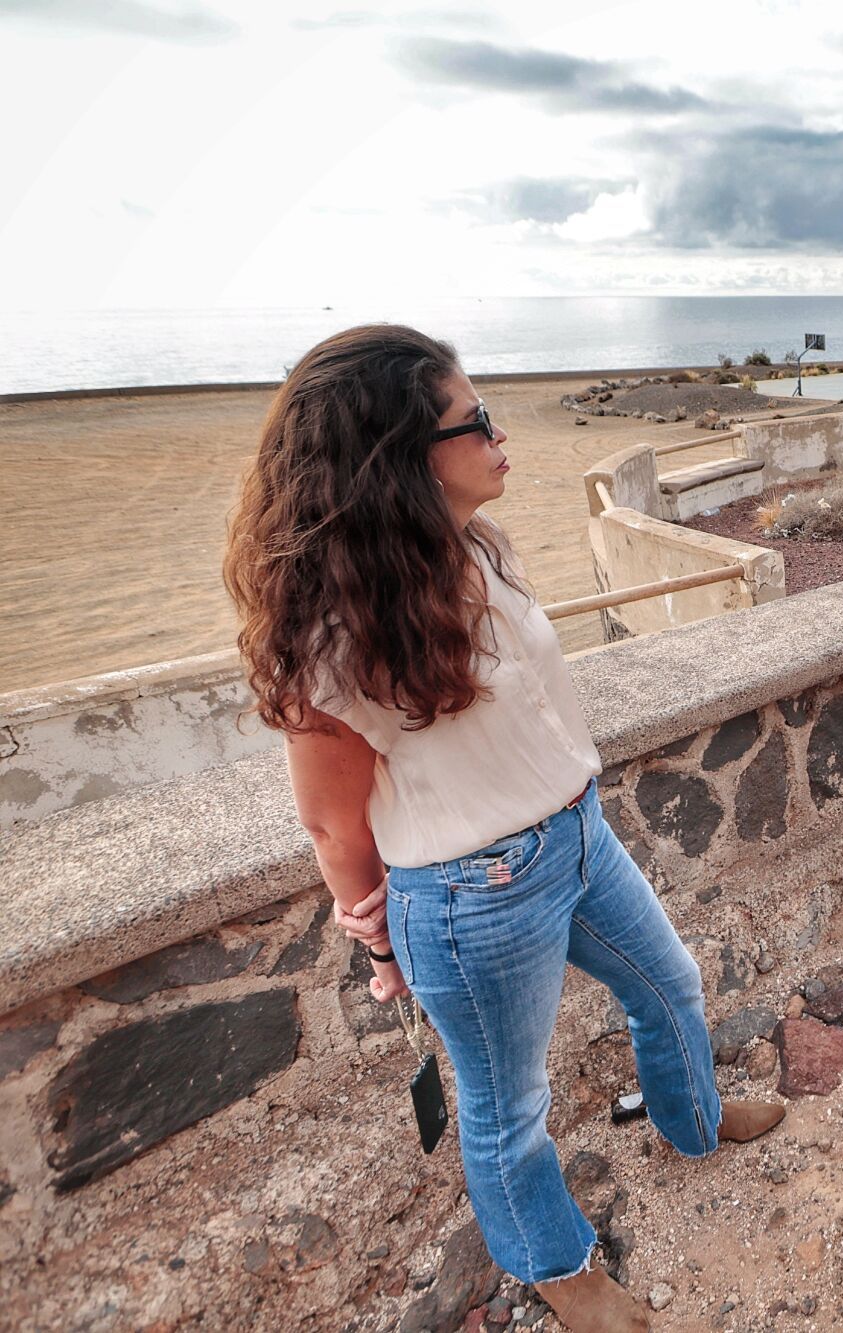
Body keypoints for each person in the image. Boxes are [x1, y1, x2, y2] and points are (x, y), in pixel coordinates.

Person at [222, 325, 782, 1333]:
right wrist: (380, 935)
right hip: (471, 891)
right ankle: (562, 1272)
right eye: (472, 419)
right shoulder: (336, 633)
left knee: (671, 986)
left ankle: (692, 1124)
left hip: (576, 832)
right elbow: (327, 816)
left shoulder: (474, 545)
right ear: (399, 455)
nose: (498, 430)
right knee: (507, 1108)